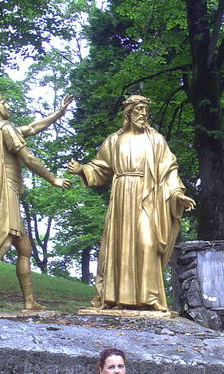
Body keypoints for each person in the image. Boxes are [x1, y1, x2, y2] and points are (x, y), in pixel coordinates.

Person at [67, 95, 195, 311]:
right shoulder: (114, 140)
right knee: (119, 244)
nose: (143, 113)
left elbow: (169, 169)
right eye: (139, 109)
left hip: (148, 196)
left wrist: (177, 193)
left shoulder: (156, 139)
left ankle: (149, 297)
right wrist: (83, 170)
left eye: (146, 109)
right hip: (121, 196)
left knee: (148, 243)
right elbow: (100, 168)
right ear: (128, 113)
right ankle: (116, 298)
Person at [0, 92, 73, 314]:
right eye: (5, 102)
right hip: (4, 190)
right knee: (3, 242)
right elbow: (29, 158)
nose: (9, 106)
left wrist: (59, 113)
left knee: (24, 248)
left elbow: (33, 128)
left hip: (3, 191)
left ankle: (29, 301)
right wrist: (53, 179)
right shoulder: (4, 128)